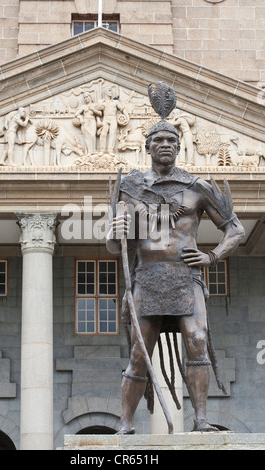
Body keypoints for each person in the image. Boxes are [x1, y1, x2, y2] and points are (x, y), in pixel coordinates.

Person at [106, 119, 245, 434]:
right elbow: (115, 246)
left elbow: (235, 230)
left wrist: (212, 256)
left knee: (197, 341)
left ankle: (200, 420)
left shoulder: (196, 187)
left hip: (186, 275)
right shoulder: (129, 187)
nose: (165, 144)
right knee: (139, 353)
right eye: (159, 140)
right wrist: (116, 231)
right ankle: (125, 425)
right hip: (146, 276)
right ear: (148, 146)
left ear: (179, 146)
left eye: (171, 139)